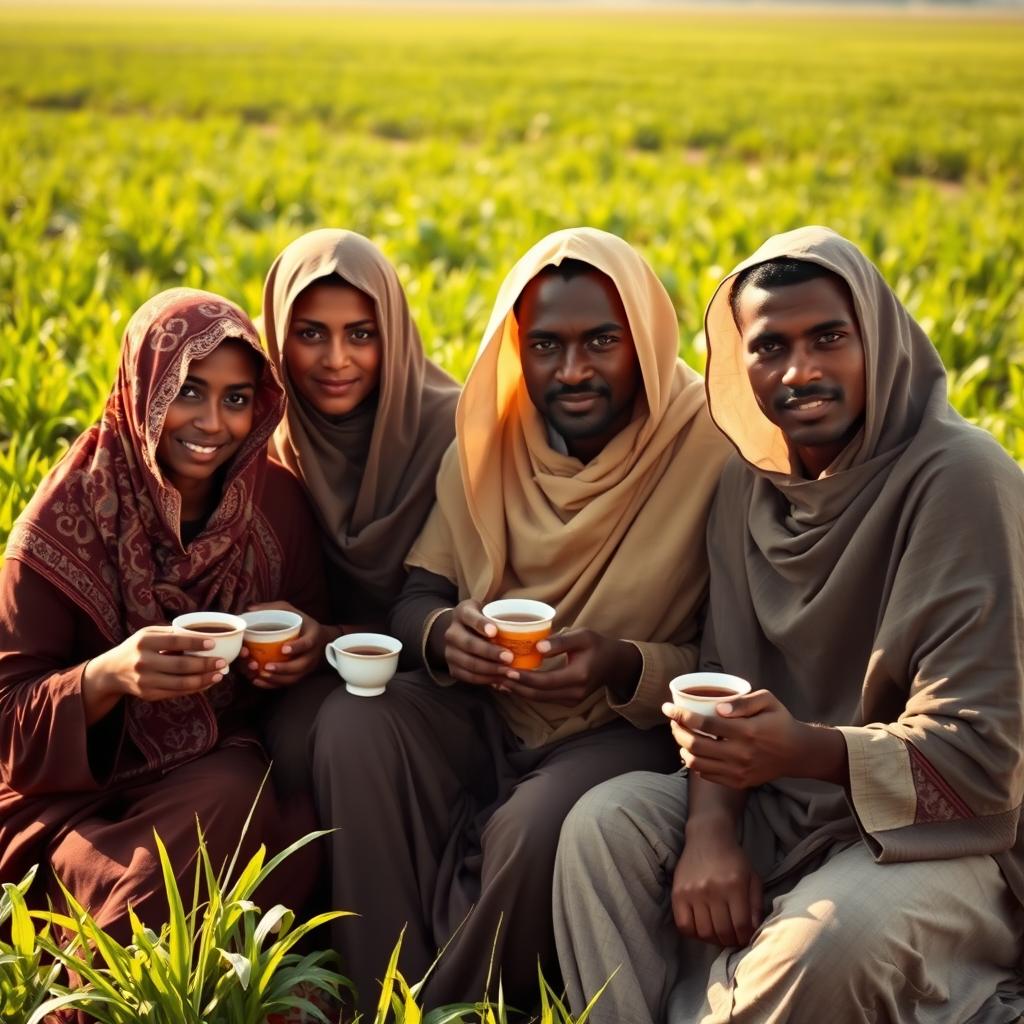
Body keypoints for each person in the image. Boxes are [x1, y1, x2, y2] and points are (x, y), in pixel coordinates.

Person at [553, 226, 1024, 1023]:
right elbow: (721, 682)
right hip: (781, 799)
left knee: (827, 947)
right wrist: (709, 832)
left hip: (941, 836)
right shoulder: (751, 486)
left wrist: (803, 748)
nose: (799, 372)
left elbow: (981, 760)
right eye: (770, 347)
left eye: (829, 338)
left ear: (877, 338)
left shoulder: (962, 480)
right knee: (604, 828)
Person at [312, 227, 732, 1014]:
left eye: (601, 341)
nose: (572, 371)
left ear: (644, 335)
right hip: (487, 706)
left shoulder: (709, 448)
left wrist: (617, 662)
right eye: (545, 345)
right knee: (352, 724)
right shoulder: (493, 439)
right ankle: (378, 990)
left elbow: (733, 653)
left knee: (538, 826)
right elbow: (416, 599)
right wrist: (445, 637)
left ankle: (454, 1006)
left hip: (620, 724)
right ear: (517, 349)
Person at [0, 288, 330, 940]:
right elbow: (7, 722)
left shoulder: (274, 504)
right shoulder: (66, 516)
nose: (212, 422)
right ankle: (113, 987)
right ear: (142, 387)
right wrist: (108, 677)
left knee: (255, 805)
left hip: (203, 777)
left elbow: (321, 630)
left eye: (236, 399)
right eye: (187, 390)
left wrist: (311, 645)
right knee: (212, 852)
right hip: (66, 805)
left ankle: (117, 951)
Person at [258, 229, 460, 794]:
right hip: (310, 671)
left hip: (439, 671)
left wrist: (333, 637)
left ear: (391, 333)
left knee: (341, 733)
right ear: (277, 337)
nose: (336, 360)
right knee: (286, 741)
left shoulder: (453, 432)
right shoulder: (262, 435)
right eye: (310, 334)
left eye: (361, 334)